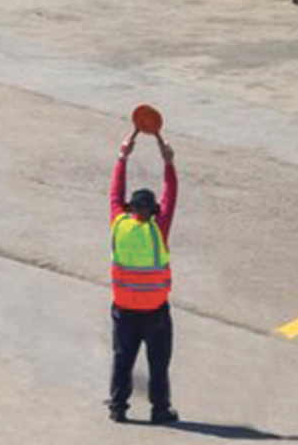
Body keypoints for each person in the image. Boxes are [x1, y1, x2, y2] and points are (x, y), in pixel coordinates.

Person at [108, 127, 179, 424]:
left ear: (130, 208)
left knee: (122, 360)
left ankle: (118, 409)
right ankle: (160, 410)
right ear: (153, 210)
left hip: (124, 311)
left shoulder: (119, 223)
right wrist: (168, 162)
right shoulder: (158, 228)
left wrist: (122, 156)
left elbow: (114, 193)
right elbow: (171, 193)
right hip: (155, 314)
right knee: (158, 364)